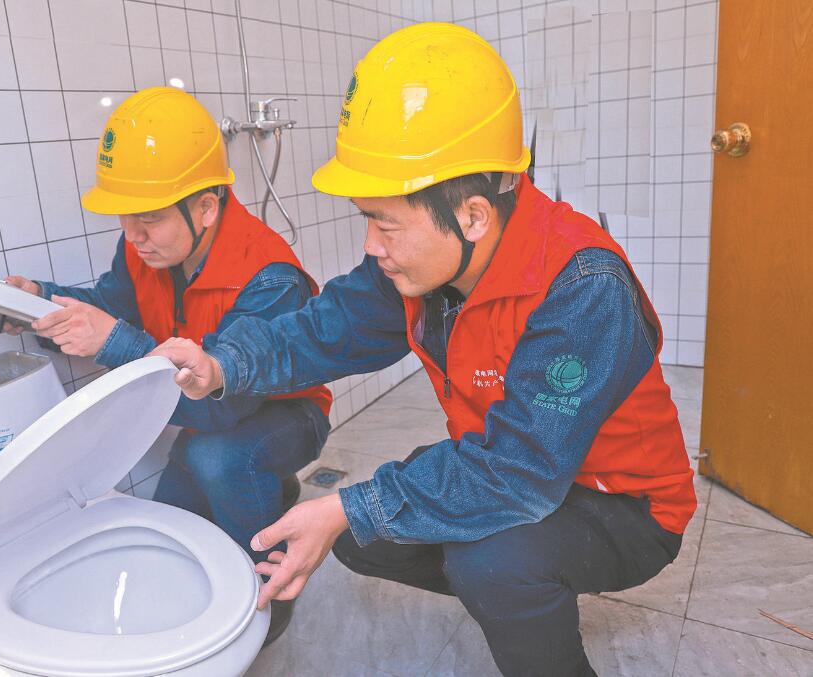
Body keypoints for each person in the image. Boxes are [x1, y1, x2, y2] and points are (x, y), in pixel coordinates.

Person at [148, 24, 696, 676]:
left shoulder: (581, 286)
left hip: (624, 505)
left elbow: (517, 472)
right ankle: (519, 573)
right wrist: (222, 364)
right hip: (521, 467)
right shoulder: (424, 265)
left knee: (487, 558)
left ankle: (520, 579)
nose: (371, 245)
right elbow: (324, 328)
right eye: (367, 219)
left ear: (472, 215)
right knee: (364, 538)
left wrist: (353, 505)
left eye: (384, 222)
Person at [0, 87, 331, 644]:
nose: (132, 234)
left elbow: (224, 408)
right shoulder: (147, 247)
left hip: (286, 411)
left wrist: (112, 342)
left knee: (220, 457)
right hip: (207, 411)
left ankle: (270, 601)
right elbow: (111, 307)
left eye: (150, 218)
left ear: (206, 207)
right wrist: (36, 303)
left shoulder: (269, 276)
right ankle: (261, 503)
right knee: (171, 519)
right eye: (126, 216)